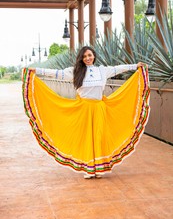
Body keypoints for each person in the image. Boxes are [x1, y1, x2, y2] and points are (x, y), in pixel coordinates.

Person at [22, 46, 150, 179]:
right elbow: (56, 73)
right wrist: (36, 70)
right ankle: (89, 169)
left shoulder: (102, 70)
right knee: (86, 138)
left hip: (99, 108)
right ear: (81, 59)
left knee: (99, 137)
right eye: (84, 56)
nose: (87, 58)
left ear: (94, 55)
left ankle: (99, 168)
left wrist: (136, 66)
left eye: (89, 55)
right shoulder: (75, 72)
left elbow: (118, 68)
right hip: (83, 109)